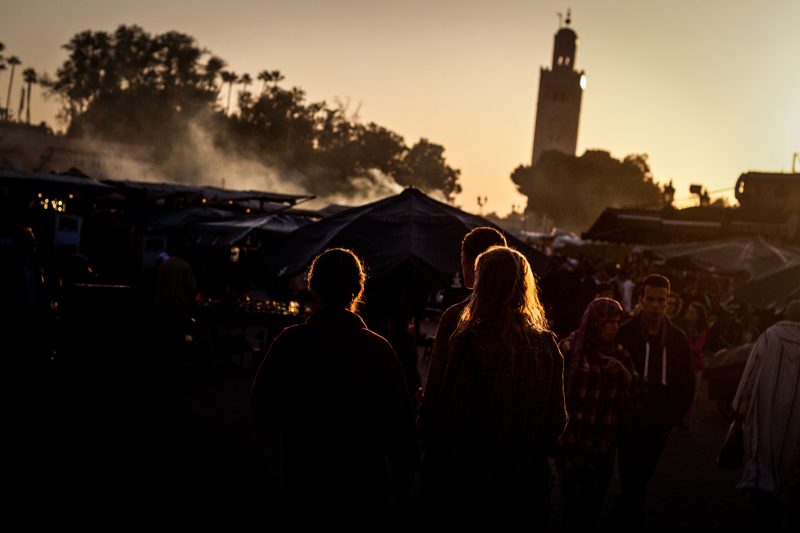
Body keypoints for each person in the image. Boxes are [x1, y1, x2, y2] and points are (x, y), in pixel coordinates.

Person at [249, 248, 418, 531]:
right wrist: (403, 477)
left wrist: (302, 422)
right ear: (358, 289)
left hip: (304, 475)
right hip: (363, 482)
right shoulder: (379, 349)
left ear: (313, 287)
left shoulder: (291, 342)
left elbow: (261, 403)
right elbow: (399, 421)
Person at [423, 246, 567, 530]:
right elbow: (557, 422)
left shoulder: (469, 342)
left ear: (483, 284)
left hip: (472, 489)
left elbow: (449, 425)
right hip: (525, 486)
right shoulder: (547, 344)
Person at [607, 274, 695, 530]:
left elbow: (687, 385)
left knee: (637, 483)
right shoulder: (626, 333)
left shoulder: (677, 339)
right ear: (641, 300)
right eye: (651, 300)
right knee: (633, 484)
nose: (656, 306)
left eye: (661, 300)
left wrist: (669, 421)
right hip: (628, 423)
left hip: (658, 428)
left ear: (669, 302)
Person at [554, 298, 645, 531]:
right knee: (573, 510)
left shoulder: (621, 355)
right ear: (595, 322)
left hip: (603, 449)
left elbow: (637, 401)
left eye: (617, 322)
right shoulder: (568, 349)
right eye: (608, 322)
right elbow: (553, 399)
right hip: (572, 446)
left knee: (591, 511)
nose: (615, 327)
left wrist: (624, 375)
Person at [416, 226, 507, 442]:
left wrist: (420, 429)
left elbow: (437, 385)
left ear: (469, 263)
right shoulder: (531, 324)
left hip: (462, 445)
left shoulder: (456, 318)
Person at [732, 300, 800, 530]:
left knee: (762, 455)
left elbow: (750, 373)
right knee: (787, 460)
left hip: (765, 408)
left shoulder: (770, 335)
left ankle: (762, 503)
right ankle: (776, 499)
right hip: (796, 418)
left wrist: (739, 406)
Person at [680, 301, 709, 430]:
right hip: (682, 363)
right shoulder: (682, 325)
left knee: (692, 394)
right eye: (689, 310)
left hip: (696, 365)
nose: (689, 314)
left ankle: (687, 422)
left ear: (698, 316)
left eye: (692, 312)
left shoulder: (702, 330)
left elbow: (697, 348)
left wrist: (684, 344)